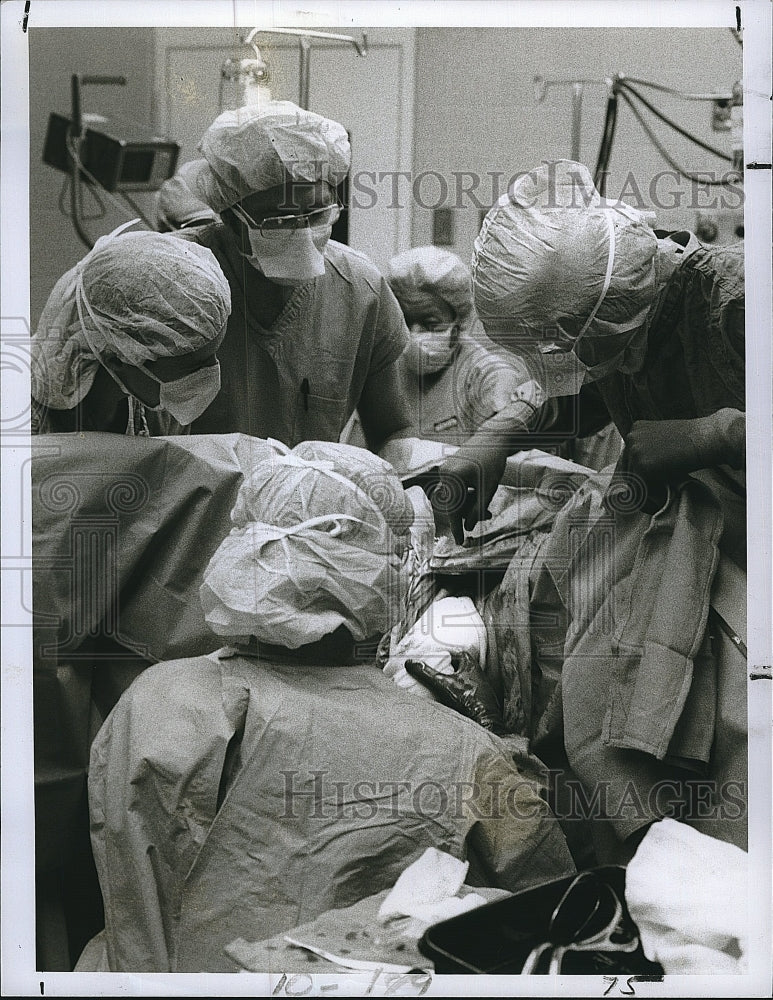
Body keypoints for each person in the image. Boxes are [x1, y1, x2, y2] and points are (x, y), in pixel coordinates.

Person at [86, 440, 575, 972]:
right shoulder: (462, 751)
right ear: (381, 573)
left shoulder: (153, 699)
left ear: (243, 549)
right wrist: (498, 742)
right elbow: (560, 915)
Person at [440, 159, 744, 555]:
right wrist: (502, 432)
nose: (558, 365)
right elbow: (582, 393)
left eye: (554, 348)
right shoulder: (622, 331)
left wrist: (720, 436)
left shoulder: (740, 300)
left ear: (604, 310)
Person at [172, 101, 413, 451]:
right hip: (206, 501)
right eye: (277, 220)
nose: (301, 232)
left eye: (317, 213)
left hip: (312, 503)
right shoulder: (178, 280)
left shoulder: (360, 289)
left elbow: (392, 430)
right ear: (229, 212)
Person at [31, 224, 231, 436]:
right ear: (116, 361)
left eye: (213, 355)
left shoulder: (157, 406)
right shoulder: (23, 420)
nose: (212, 372)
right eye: (194, 366)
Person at [385, 246, 533, 444]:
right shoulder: (386, 370)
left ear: (457, 324)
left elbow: (492, 459)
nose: (414, 334)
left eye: (431, 324)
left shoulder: (489, 378)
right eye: (404, 321)